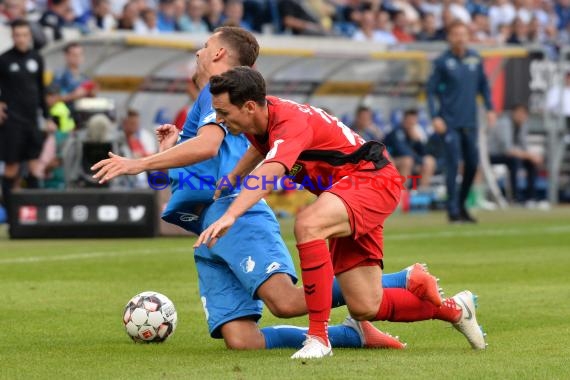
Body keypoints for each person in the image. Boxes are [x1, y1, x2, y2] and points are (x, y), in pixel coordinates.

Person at [91, 27, 442, 351]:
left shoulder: (217, 95)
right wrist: (165, 152)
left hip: (235, 215)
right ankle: (350, 328)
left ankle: (392, 285)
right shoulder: (210, 103)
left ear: (218, 56)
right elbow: (177, 178)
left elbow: (211, 147)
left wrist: (136, 163)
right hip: (205, 227)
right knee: (241, 341)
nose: (198, 51)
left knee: (286, 302)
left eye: (206, 45)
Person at [194, 66, 487, 359]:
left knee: (308, 224)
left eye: (223, 112)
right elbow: (263, 150)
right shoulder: (259, 121)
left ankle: (319, 338)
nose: (219, 119)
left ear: (248, 106)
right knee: (364, 304)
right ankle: (456, 310)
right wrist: (235, 175)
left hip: (370, 179)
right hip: (348, 191)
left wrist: (232, 214)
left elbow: (272, 170)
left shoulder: (289, 122)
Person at [426, 20, 496, 223]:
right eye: (456, 34)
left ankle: (462, 205)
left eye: (463, 34)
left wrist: (490, 108)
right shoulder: (442, 62)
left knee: (473, 164)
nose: (460, 37)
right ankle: (453, 210)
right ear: (450, 37)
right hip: (449, 123)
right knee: (453, 164)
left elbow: (484, 86)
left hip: (470, 122)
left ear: (468, 36)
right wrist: (435, 116)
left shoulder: (475, 59)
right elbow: (430, 92)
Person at [0, 19, 56, 218]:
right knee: (11, 168)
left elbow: (41, 90)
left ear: (29, 36)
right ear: (13, 36)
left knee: (34, 166)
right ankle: (10, 215)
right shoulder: (4, 60)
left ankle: (33, 215)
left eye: (24, 35)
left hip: (32, 120)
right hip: (12, 122)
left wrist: (47, 117)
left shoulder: (37, 58)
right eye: (17, 35)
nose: (21, 39)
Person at [488, 104, 544, 206]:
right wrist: (529, 155)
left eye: (524, 114)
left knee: (531, 163)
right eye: (520, 113)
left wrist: (532, 156)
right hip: (493, 155)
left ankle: (531, 198)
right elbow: (507, 150)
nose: (522, 117)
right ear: (514, 113)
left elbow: (524, 146)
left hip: (511, 155)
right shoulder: (504, 123)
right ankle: (515, 198)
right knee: (514, 161)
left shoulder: (523, 125)